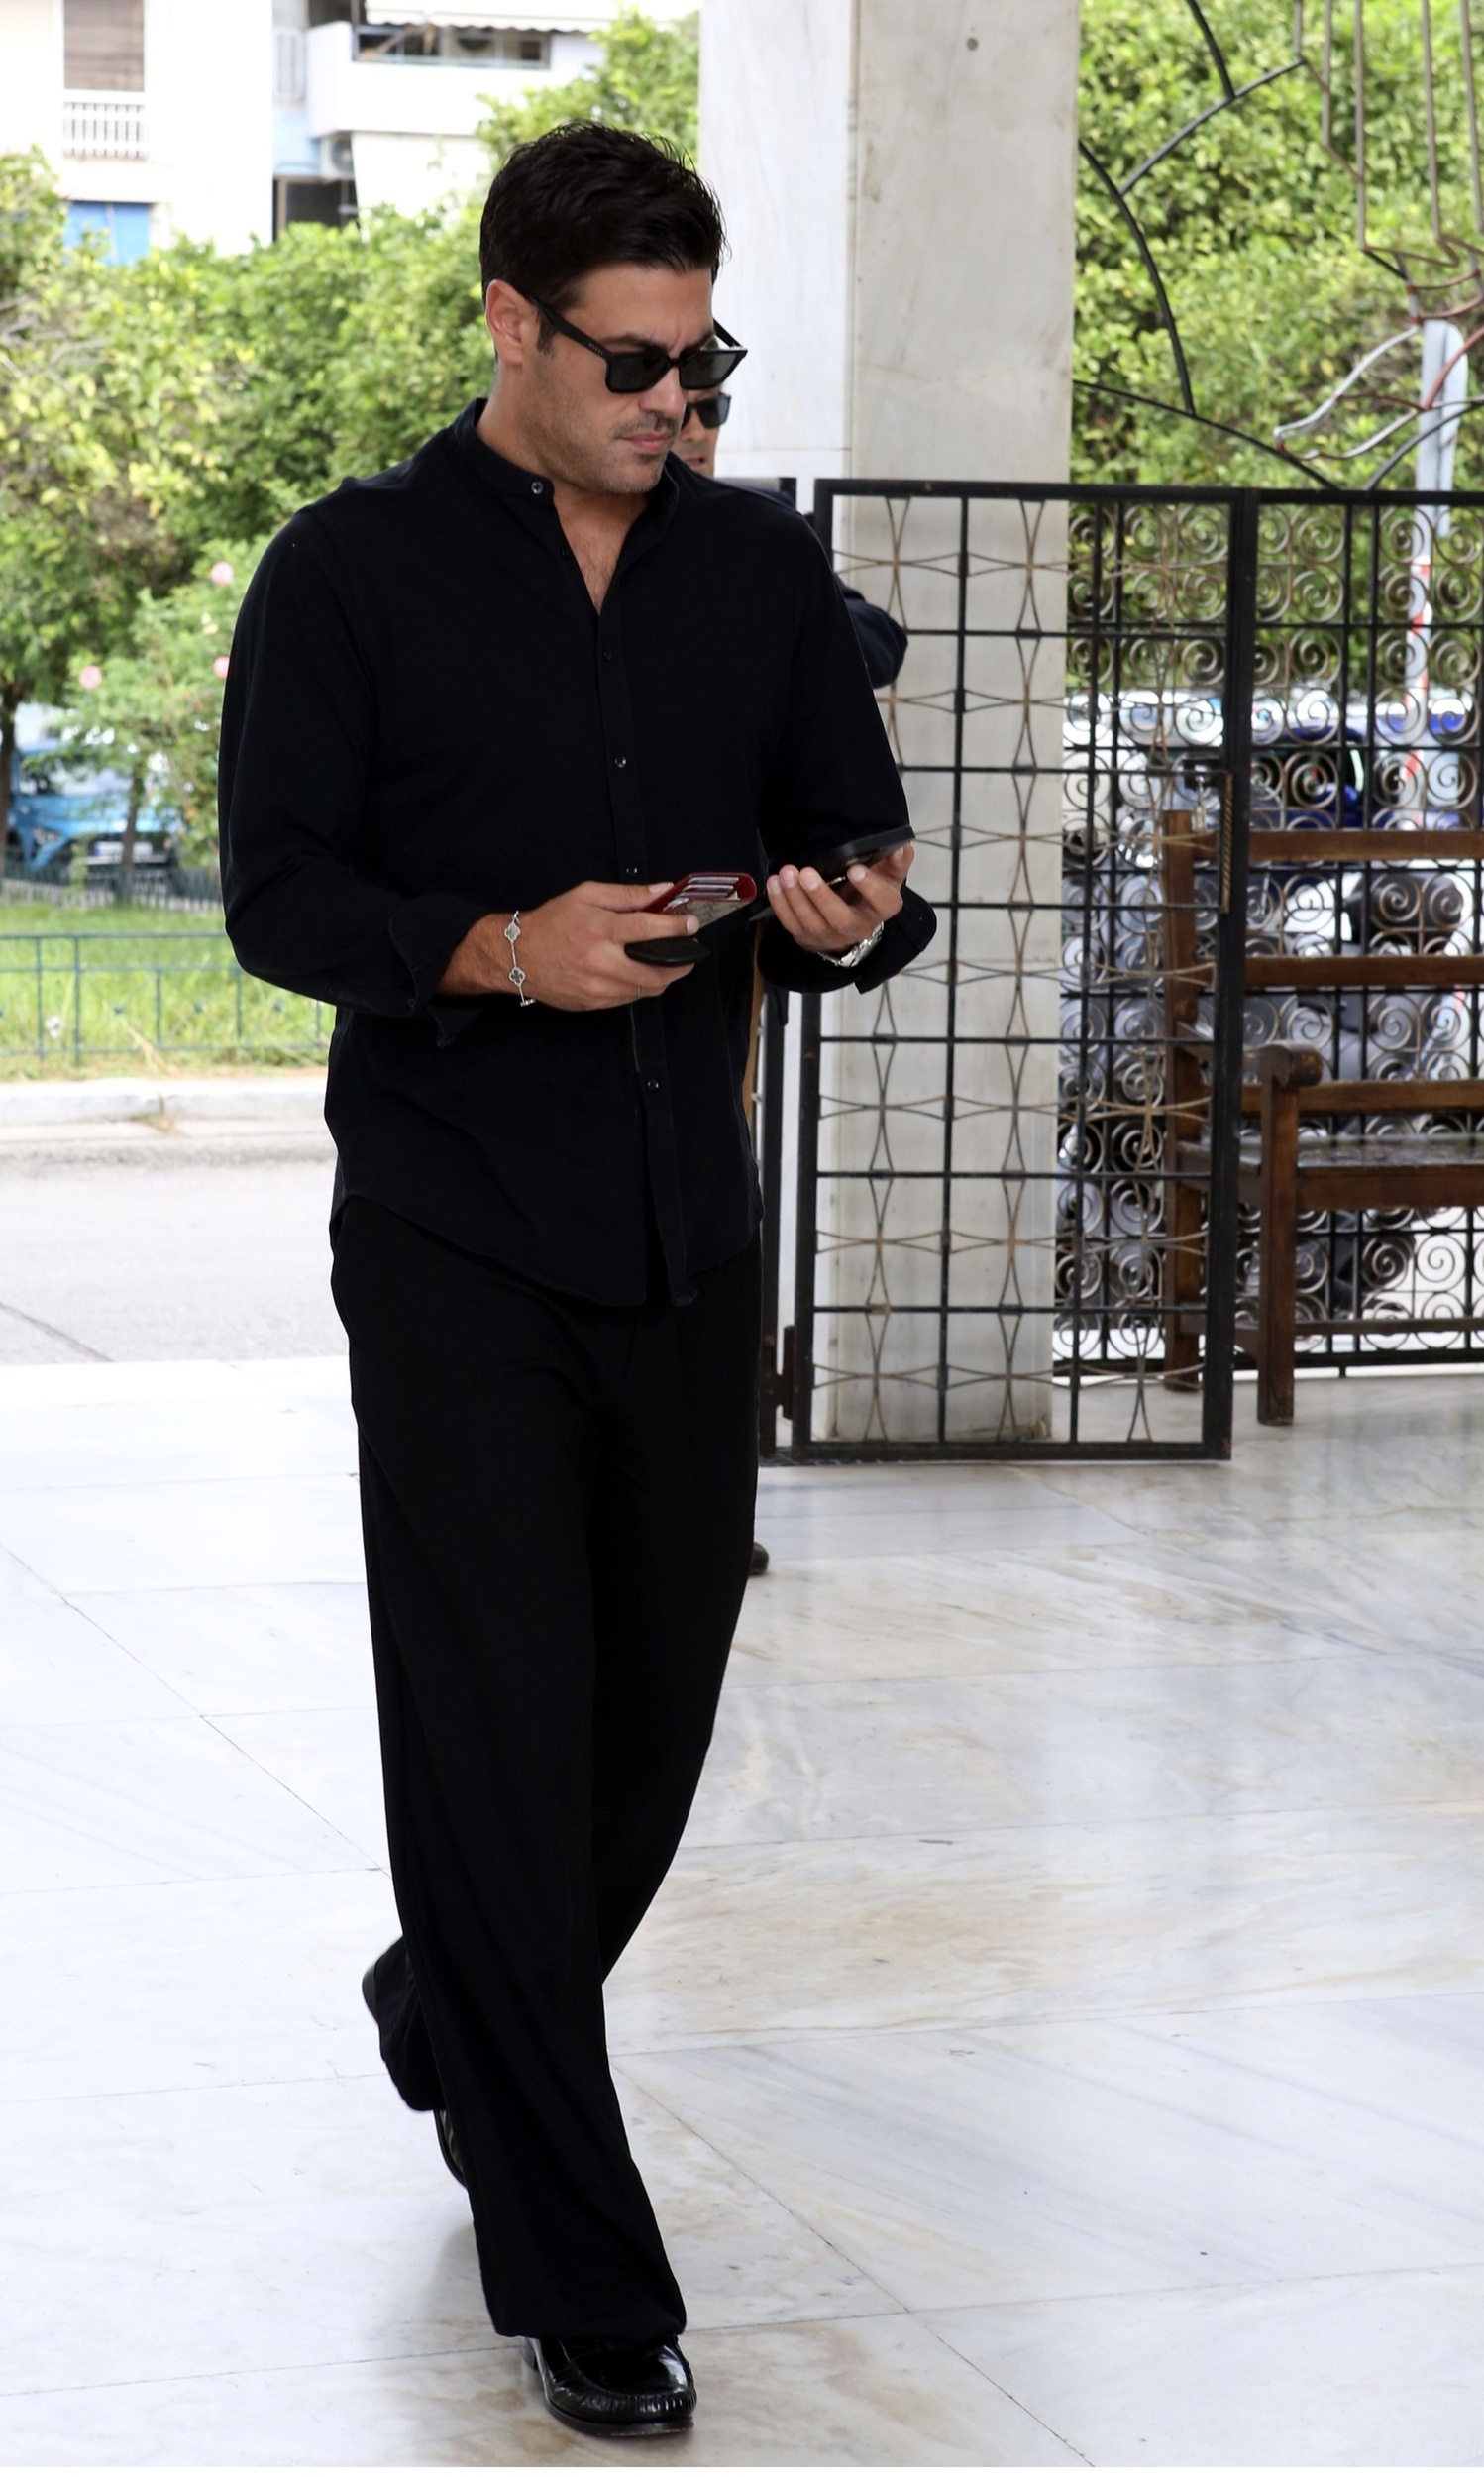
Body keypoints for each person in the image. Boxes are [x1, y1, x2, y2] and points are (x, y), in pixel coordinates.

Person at [218, 124, 934, 2440]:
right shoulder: (348, 577)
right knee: (495, 1736)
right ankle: (581, 2271)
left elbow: (853, 856)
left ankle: (452, 2007)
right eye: (631, 361)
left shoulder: (755, 570)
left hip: (680, 1238)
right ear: (511, 327)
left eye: (701, 358)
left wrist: (853, 914)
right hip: (452, 1235)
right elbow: (277, 898)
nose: (672, 400)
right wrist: (496, 951)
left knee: (648, 1718)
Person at [670, 387, 910, 1579]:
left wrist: (756, 621)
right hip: (541, 956)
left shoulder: (757, 546)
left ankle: (715, 1495)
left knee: (717, 1195)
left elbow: (874, 640)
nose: (688, 421)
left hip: (724, 936)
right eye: (658, 390)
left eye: (708, 401)